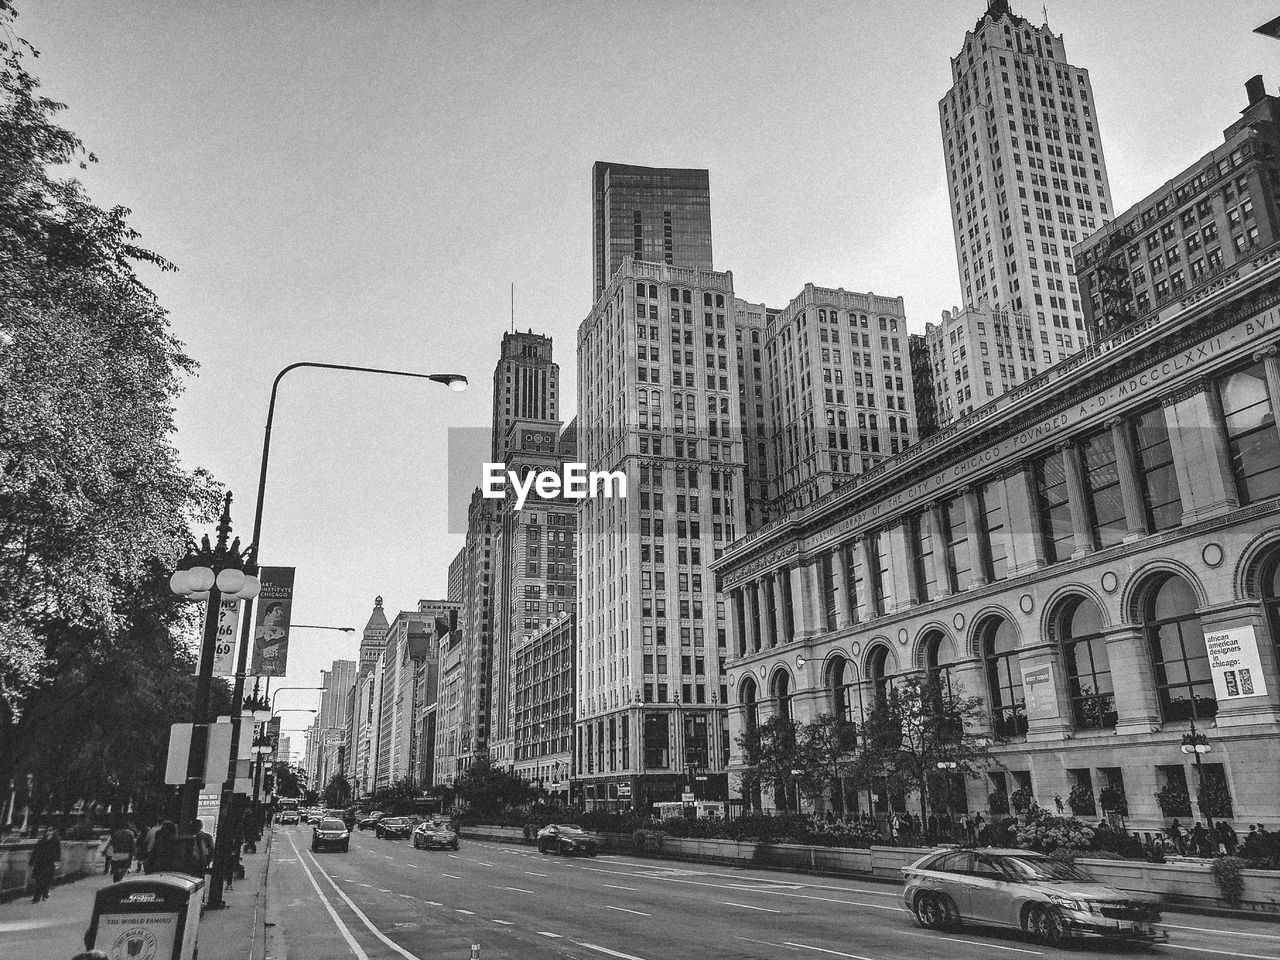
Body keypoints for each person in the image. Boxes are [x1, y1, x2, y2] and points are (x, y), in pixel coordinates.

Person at [28, 827, 60, 902]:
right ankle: (36, 898)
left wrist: (57, 862)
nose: (48, 832)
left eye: (50, 831)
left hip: (50, 864)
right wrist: (31, 862)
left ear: (53, 832)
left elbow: (58, 853)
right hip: (40, 863)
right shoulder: (41, 841)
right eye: (47, 831)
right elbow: (35, 852)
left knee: (47, 880)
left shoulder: (56, 841)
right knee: (38, 880)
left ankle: (45, 893)